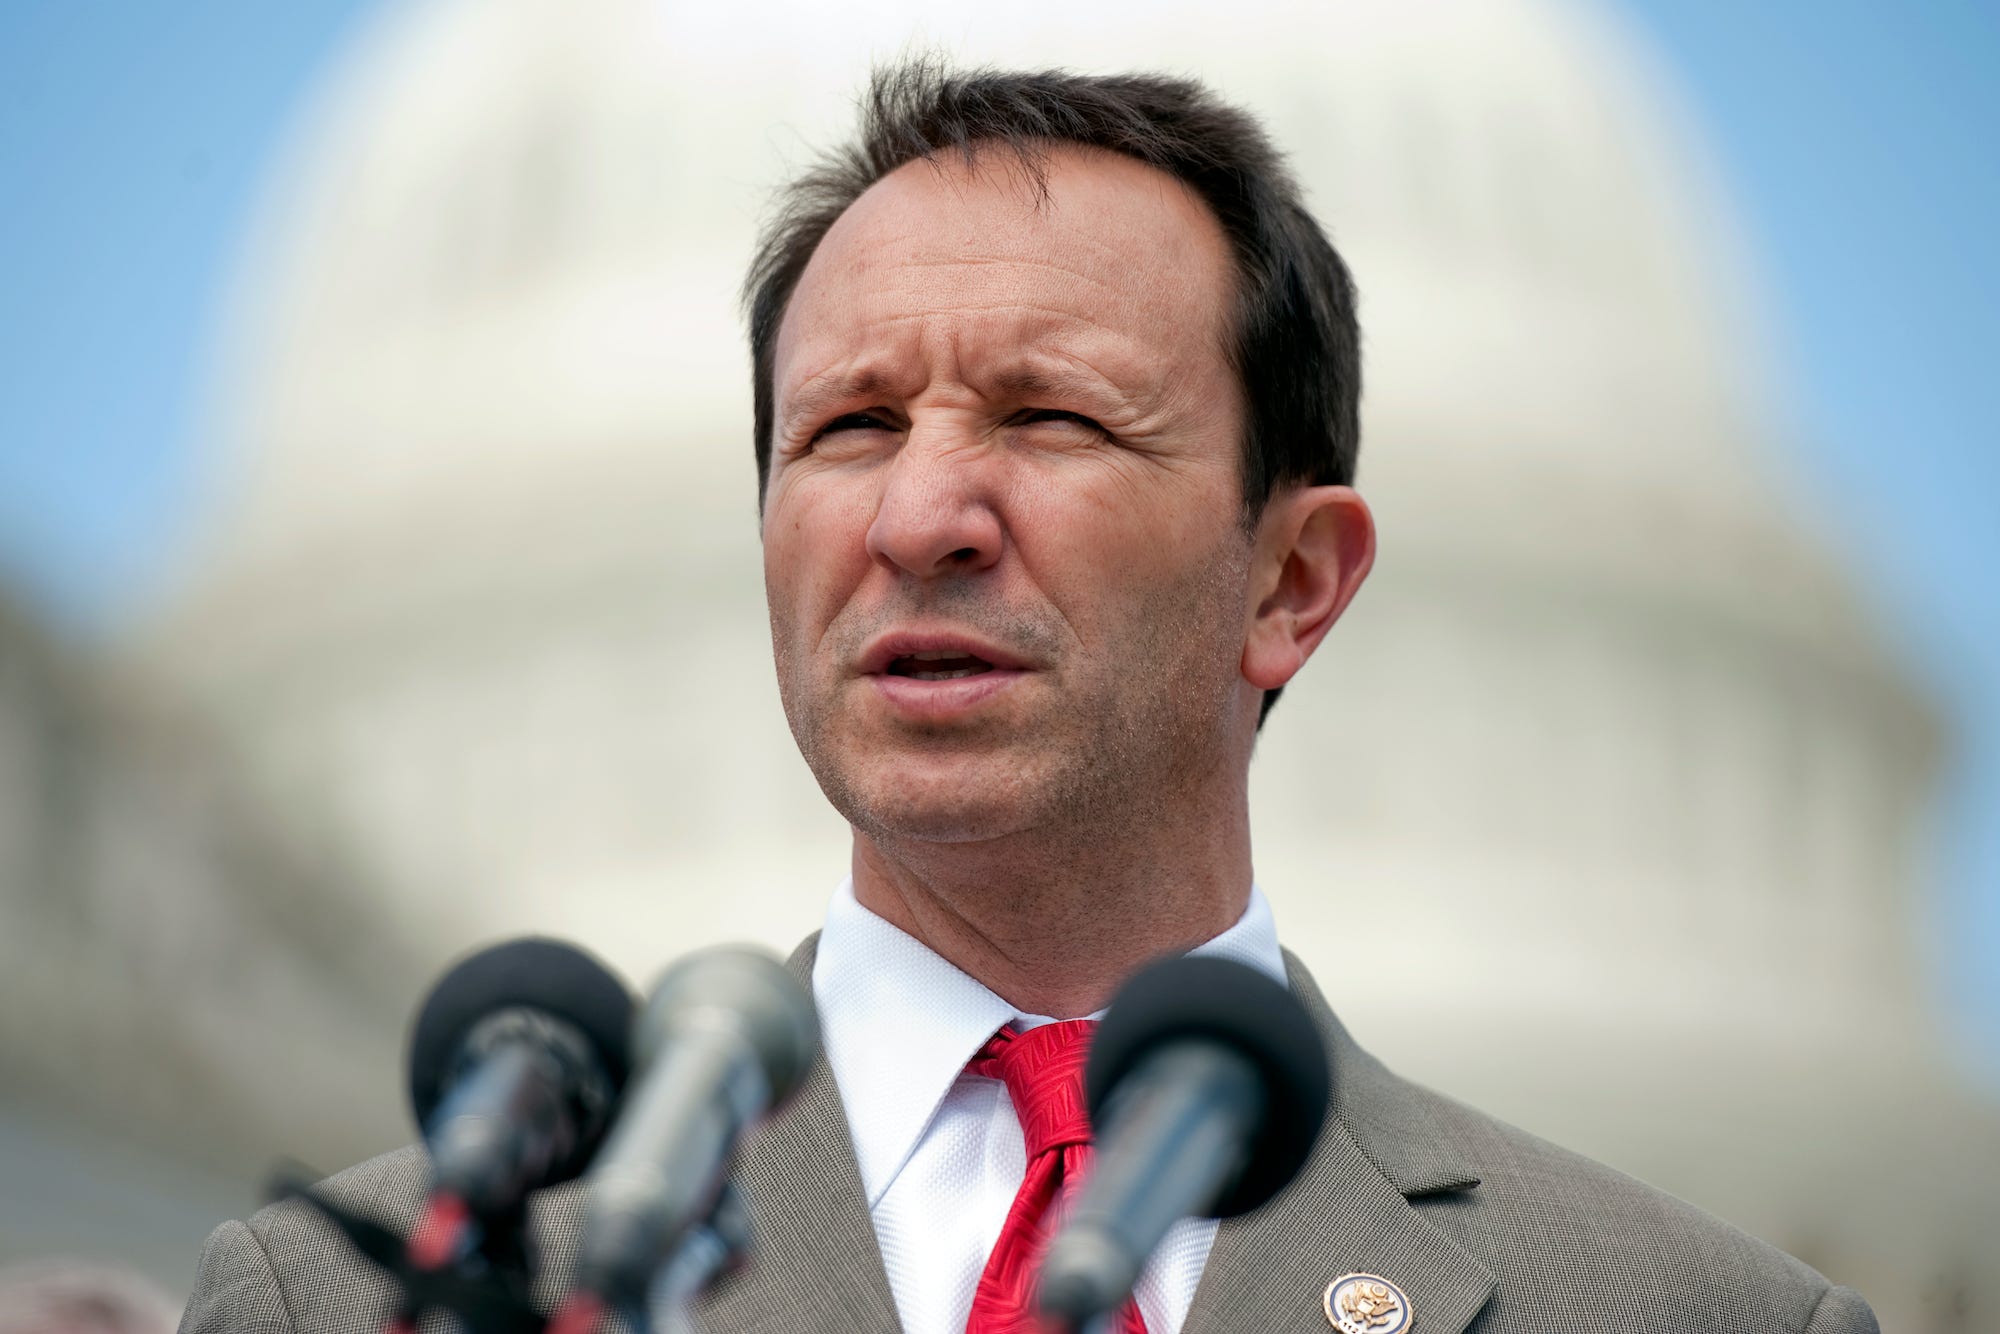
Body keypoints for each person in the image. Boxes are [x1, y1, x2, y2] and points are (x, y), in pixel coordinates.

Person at [180, 62, 1877, 1334]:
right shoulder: (366, 1289)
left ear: (1292, 580)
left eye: (1052, 419)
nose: (918, 521)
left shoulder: (1687, 1312)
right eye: (848, 428)